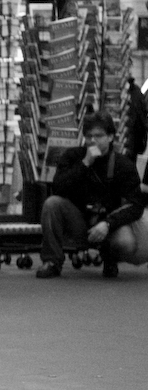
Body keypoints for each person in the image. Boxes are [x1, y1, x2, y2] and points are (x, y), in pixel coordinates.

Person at [36, 112, 144, 278]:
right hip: (79, 219)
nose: (93, 140)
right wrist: (85, 164)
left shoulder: (123, 165)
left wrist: (108, 223)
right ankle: (52, 261)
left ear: (110, 137)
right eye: (88, 136)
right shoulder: (73, 157)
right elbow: (58, 188)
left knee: (126, 243)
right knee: (52, 204)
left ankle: (110, 258)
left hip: (109, 223)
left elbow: (136, 205)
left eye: (98, 136)